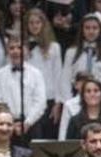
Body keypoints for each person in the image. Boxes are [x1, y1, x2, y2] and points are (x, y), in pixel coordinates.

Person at [0, 35, 46, 138]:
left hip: (32, 125)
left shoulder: (36, 73)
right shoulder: (0, 74)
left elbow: (40, 102)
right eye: (11, 48)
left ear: (26, 50)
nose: (15, 51)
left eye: (19, 47)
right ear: (7, 51)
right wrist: (9, 122)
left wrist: (27, 123)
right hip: (7, 126)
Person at [25, 8, 63, 138]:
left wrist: (58, 104)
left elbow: (58, 76)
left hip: (49, 99)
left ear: (43, 24)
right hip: (29, 99)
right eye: (31, 22)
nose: (34, 26)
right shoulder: (22, 47)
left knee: (47, 137)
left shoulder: (54, 47)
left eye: (37, 22)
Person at [61, 14, 101, 101]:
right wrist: (68, 100)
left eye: (95, 28)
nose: (91, 31)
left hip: (98, 97)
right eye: (87, 28)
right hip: (76, 96)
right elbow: (65, 79)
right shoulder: (71, 52)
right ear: (82, 30)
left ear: (100, 30)